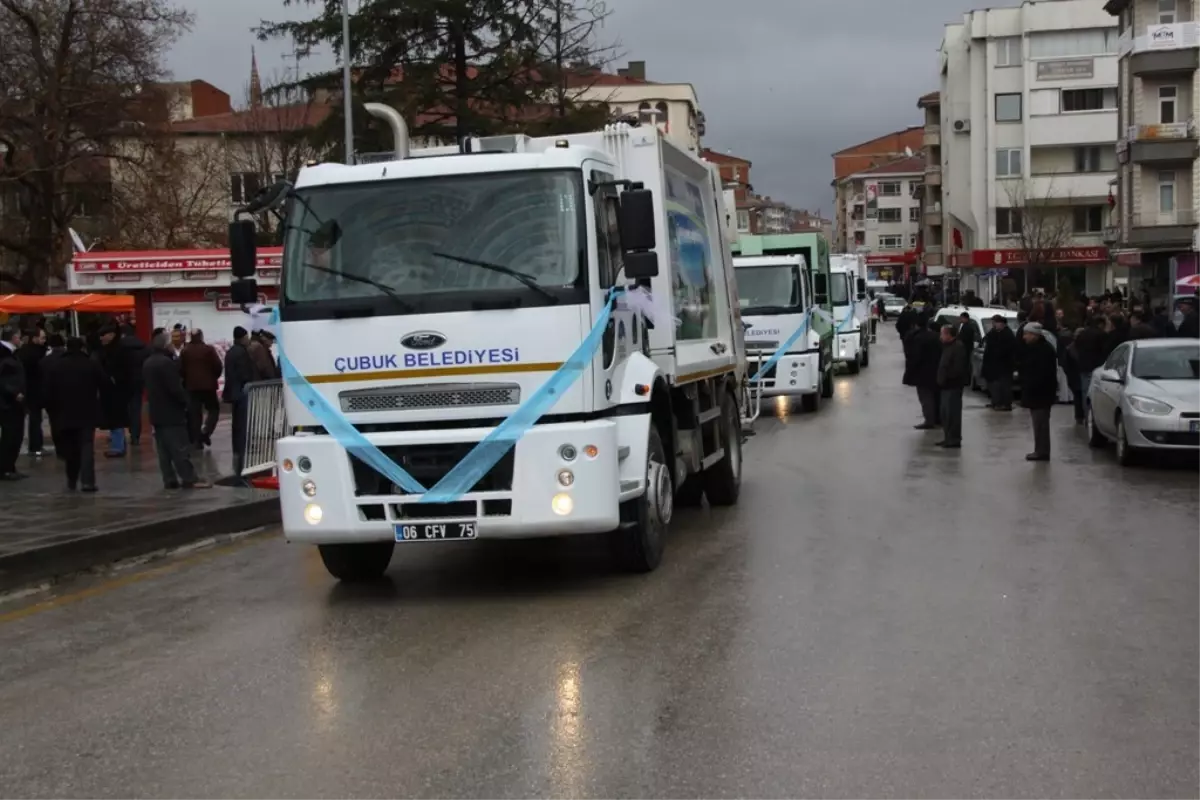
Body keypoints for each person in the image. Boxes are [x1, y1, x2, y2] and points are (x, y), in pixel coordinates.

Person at [143, 332, 210, 489]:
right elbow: (175, 388)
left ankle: (169, 478)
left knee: (163, 450)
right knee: (179, 447)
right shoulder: (166, 363)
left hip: (156, 411)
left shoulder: (148, 362)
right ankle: (189, 478)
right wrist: (185, 402)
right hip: (172, 412)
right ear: (167, 345)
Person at [41, 337, 105, 491]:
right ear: (82, 348)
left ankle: (71, 480)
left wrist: (51, 409)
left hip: (63, 413)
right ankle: (88, 482)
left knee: (70, 448)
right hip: (87, 412)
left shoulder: (56, 366)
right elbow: (104, 384)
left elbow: (48, 390)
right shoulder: (91, 364)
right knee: (86, 446)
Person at [1018, 322, 1059, 462]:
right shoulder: (1034, 348)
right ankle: (1039, 449)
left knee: (1041, 423)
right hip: (1037, 392)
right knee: (1038, 423)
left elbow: (1042, 374)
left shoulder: (1043, 350)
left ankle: (1042, 451)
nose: (1024, 337)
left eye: (1027, 334)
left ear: (1035, 335)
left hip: (1041, 393)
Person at [180, 328, 223, 448]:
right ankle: (206, 431)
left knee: (194, 413)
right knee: (213, 410)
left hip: (191, 387)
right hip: (208, 386)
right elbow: (218, 366)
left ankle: (196, 439)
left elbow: (181, 369)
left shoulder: (185, 351)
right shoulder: (209, 350)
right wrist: (213, 377)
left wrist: (186, 380)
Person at [223, 326, 257, 475]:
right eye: (246, 337)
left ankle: (237, 448)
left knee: (236, 423)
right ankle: (242, 448)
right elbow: (245, 374)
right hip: (242, 393)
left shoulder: (230, 352)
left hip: (233, 392)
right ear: (242, 337)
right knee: (242, 423)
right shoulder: (242, 353)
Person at [904, 316, 942, 430]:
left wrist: (910, 371)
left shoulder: (918, 338)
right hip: (936, 371)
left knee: (926, 398)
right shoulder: (936, 337)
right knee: (936, 396)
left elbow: (915, 356)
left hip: (922, 373)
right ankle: (938, 419)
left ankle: (929, 421)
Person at [936, 323, 970, 449]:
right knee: (945, 413)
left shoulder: (958, 347)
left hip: (953, 386)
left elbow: (958, 368)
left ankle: (954, 439)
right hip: (945, 386)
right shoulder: (946, 346)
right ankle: (947, 437)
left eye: (942, 334)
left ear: (949, 335)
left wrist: (946, 377)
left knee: (952, 413)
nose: (940, 337)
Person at [0, 325, 27, 480]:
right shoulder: (5, 355)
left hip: (11, 402)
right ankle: (6, 468)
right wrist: (14, 392)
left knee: (14, 435)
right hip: (8, 403)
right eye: (19, 336)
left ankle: (9, 466)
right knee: (11, 436)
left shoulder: (11, 354)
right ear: (14, 337)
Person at [16, 328, 47, 456]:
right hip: (34, 390)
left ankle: (35, 445)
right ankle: (35, 446)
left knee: (31, 419)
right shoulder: (36, 354)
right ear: (34, 338)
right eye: (42, 337)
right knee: (35, 419)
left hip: (25, 389)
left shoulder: (22, 352)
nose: (44, 340)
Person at [118, 324, 149, 446]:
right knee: (136, 409)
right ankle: (135, 435)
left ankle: (120, 436)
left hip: (122, 382)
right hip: (138, 382)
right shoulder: (143, 347)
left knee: (121, 409)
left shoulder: (118, 347)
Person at [980, 314, 1016, 412]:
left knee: (1004, 385)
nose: (993, 325)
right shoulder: (994, 333)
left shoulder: (1007, 334)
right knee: (994, 385)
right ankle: (996, 402)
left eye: (995, 323)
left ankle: (1005, 403)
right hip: (994, 365)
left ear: (1001, 323)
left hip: (1004, 365)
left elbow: (1005, 350)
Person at [41, 333, 67, 458]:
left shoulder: (45, 361)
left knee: (55, 423)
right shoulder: (68, 359)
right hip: (67, 396)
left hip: (50, 397)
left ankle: (60, 449)